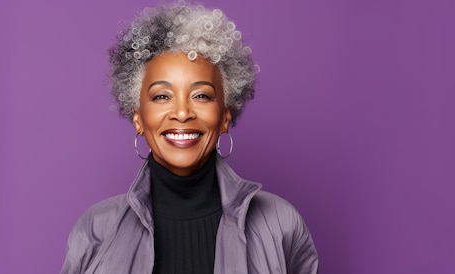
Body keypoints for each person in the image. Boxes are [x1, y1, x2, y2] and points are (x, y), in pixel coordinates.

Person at [61, 2, 318, 273]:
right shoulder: (95, 229)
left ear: (225, 117)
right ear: (138, 118)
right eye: (162, 96)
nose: (182, 113)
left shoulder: (281, 223)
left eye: (201, 96)